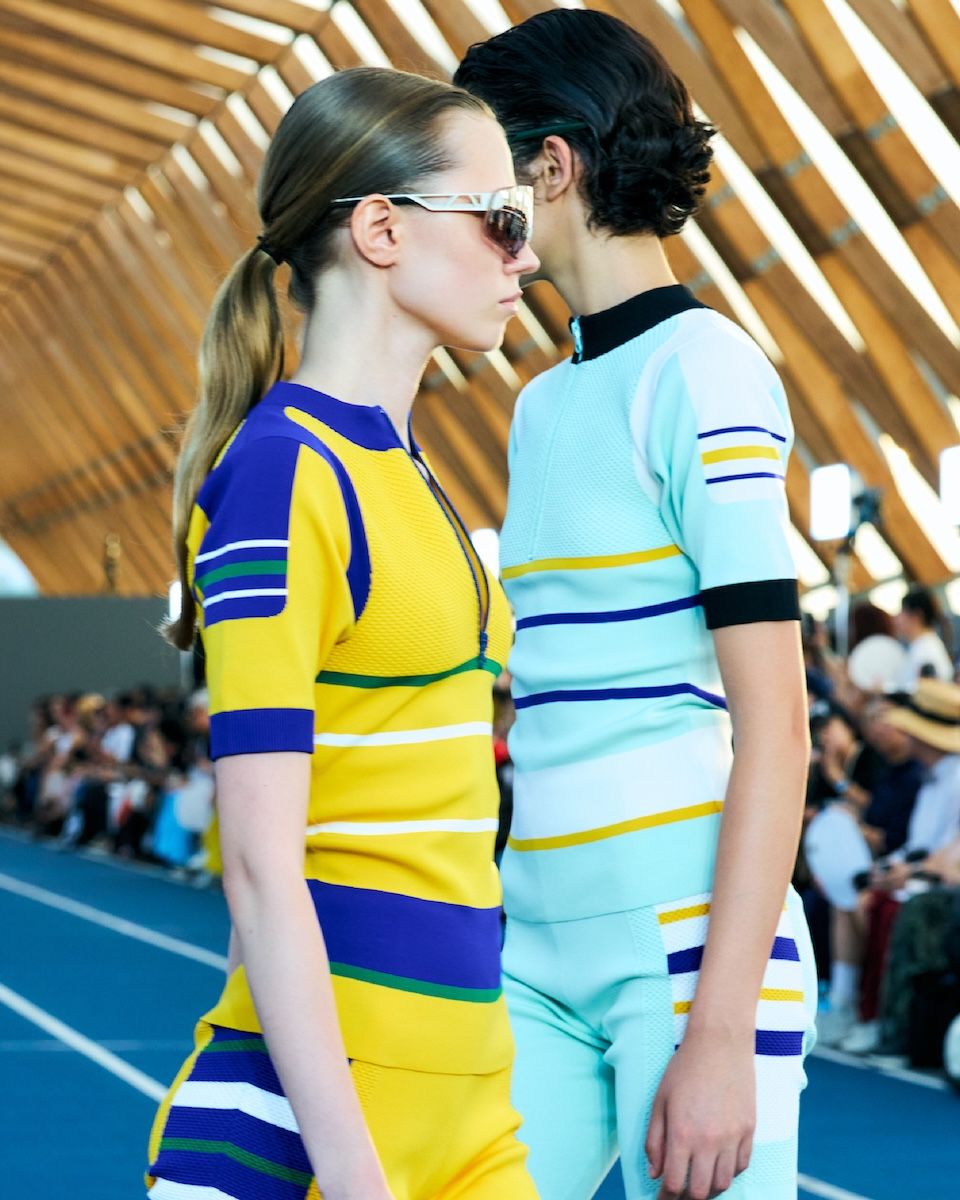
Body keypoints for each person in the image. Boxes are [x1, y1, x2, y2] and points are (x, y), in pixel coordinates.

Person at [145, 67, 540, 1200]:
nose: (524, 257)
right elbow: (260, 867)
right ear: (380, 229)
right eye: (500, 217)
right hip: (313, 1131)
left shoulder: (407, 471)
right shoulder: (283, 473)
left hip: (468, 1099)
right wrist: (358, 1177)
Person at [456, 11, 816, 1200]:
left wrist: (719, 1032)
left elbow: (779, 726)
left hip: (686, 956)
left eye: (480, 177)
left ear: (552, 166)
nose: (467, 215)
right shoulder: (541, 403)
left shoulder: (703, 371)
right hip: (534, 942)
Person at [894, 586, 954, 688]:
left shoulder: (926, 651)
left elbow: (926, 693)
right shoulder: (921, 646)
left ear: (917, 616)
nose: (897, 618)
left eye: (902, 611)